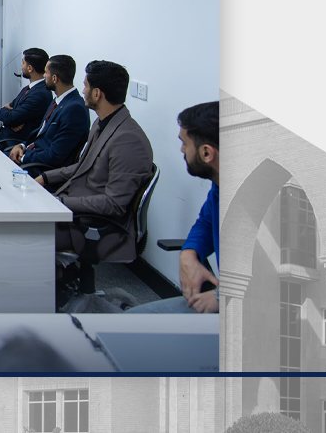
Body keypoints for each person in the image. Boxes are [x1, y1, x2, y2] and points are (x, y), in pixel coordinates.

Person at [36, 60, 154, 266]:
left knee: (22, 233)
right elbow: (83, 166)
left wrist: (59, 202)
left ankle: (54, 276)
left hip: (92, 224)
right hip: (77, 208)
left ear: (97, 93)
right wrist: (45, 178)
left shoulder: (128, 140)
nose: (82, 91)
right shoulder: (102, 123)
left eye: (86, 86)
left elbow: (113, 204)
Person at [127, 102, 219, 313]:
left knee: (134, 321)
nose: (181, 149)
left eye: (185, 143)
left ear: (206, 153)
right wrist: (189, 252)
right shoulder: (221, 185)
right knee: (132, 318)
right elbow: (206, 223)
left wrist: (220, 297)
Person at [8, 55, 90, 172]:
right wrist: (22, 146)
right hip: (33, 156)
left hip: (41, 169)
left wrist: (24, 157)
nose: (44, 76)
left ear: (55, 78)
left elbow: (55, 156)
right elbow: (41, 135)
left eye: (46, 73)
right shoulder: (59, 100)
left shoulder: (74, 109)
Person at [0, 47, 53, 148]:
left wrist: (5, 111)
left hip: (11, 142)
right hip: (2, 135)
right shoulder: (29, 88)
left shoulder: (40, 95)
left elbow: (11, 118)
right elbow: (11, 114)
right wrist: (10, 118)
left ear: (30, 68)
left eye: (23, 63)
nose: (21, 66)